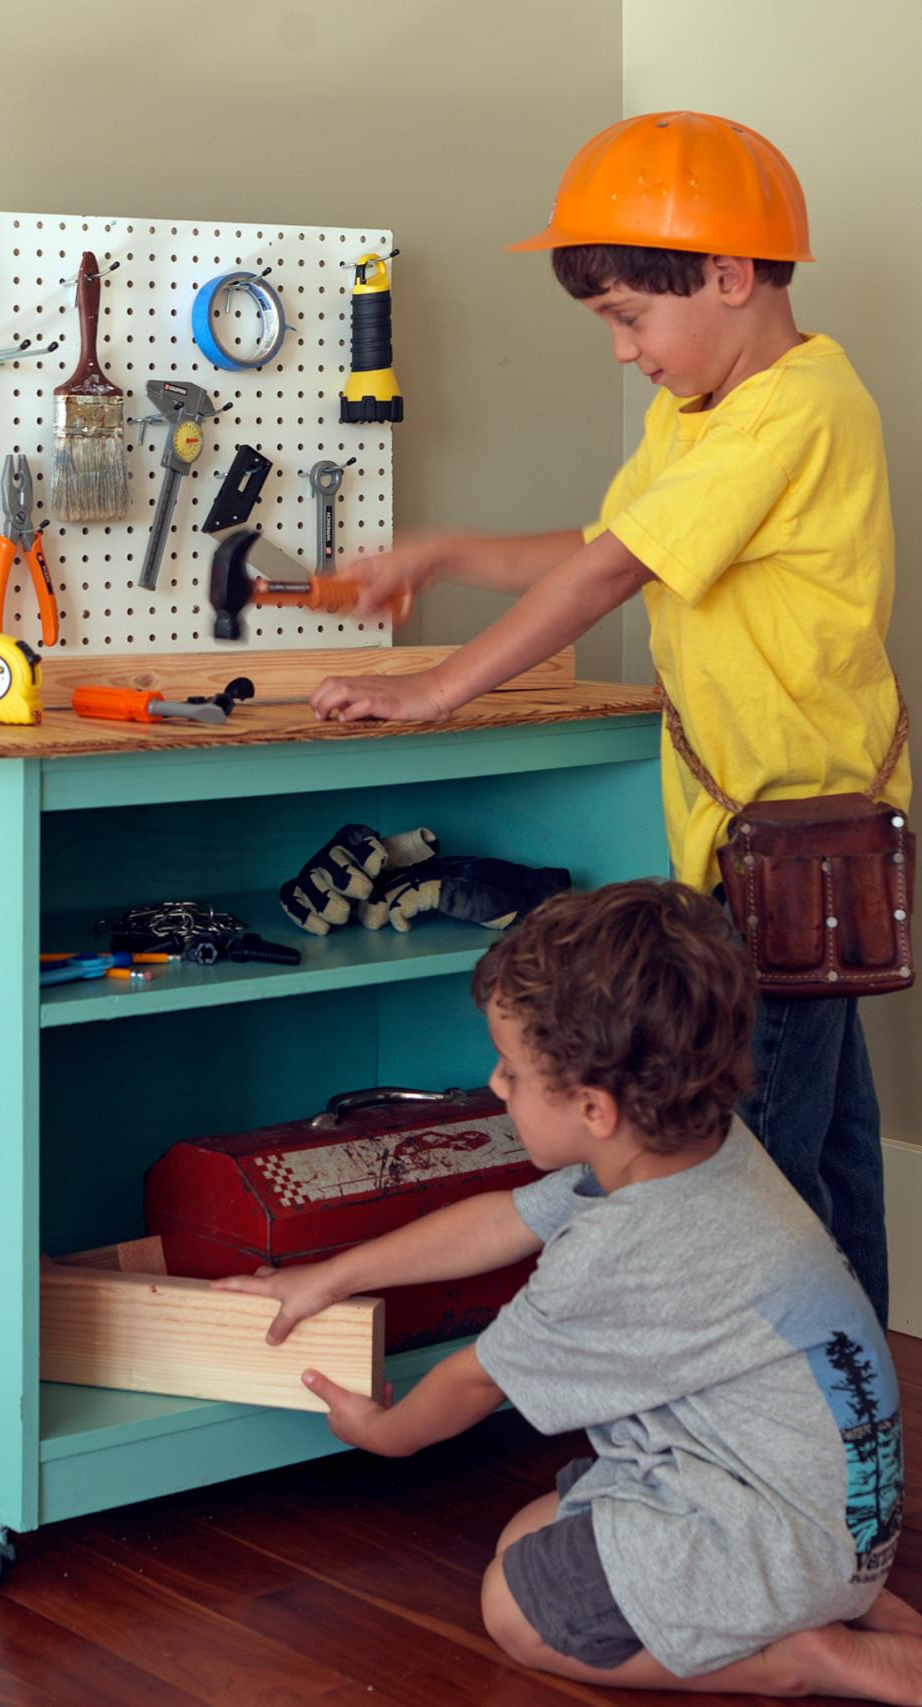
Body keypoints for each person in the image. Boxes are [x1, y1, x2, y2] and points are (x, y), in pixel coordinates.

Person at [309, 111, 911, 1327]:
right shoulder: (694, 416)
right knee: (825, 1150)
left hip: (793, 845)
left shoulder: (797, 405)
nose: (625, 352)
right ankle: (858, 1441)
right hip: (744, 838)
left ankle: (765, 1444)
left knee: (753, 1173)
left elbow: (609, 575)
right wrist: (449, 552)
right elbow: (596, 543)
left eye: (632, 317)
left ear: (730, 277)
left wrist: (435, 689)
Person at [213, 881, 918, 1700]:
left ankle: (800, 1659)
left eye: (512, 1071)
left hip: (782, 1535)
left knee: (514, 1607)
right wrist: (327, 1276)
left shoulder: (626, 1250)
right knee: (532, 1534)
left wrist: (385, 1433)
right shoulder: (700, 1151)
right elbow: (500, 1220)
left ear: (594, 1107)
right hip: (830, 1518)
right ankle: (821, 1599)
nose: (495, 1082)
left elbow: (475, 1379)